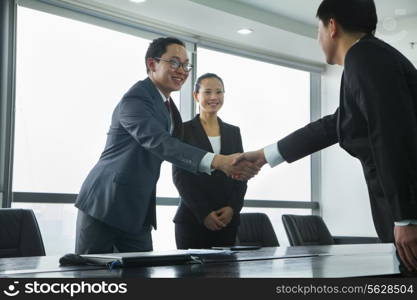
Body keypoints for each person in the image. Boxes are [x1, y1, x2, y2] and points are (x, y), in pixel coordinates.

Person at [236, 0, 417, 274]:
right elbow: (336, 124)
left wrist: (406, 218)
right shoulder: (369, 57)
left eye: (316, 29)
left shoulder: (365, 58)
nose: (317, 38)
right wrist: (265, 155)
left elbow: (390, 135)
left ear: (331, 26)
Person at [74, 37, 259, 254]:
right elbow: (159, 142)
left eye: (185, 65)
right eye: (174, 63)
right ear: (152, 64)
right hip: (105, 204)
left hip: (138, 211)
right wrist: (218, 161)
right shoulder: (136, 99)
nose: (182, 70)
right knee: (90, 278)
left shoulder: (169, 108)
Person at [172, 73, 247, 249]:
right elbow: (180, 177)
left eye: (219, 92)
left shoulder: (233, 132)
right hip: (192, 220)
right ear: (196, 96)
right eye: (207, 92)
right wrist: (204, 213)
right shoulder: (183, 130)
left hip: (226, 221)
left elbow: (241, 174)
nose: (214, 97)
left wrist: (232, 208)